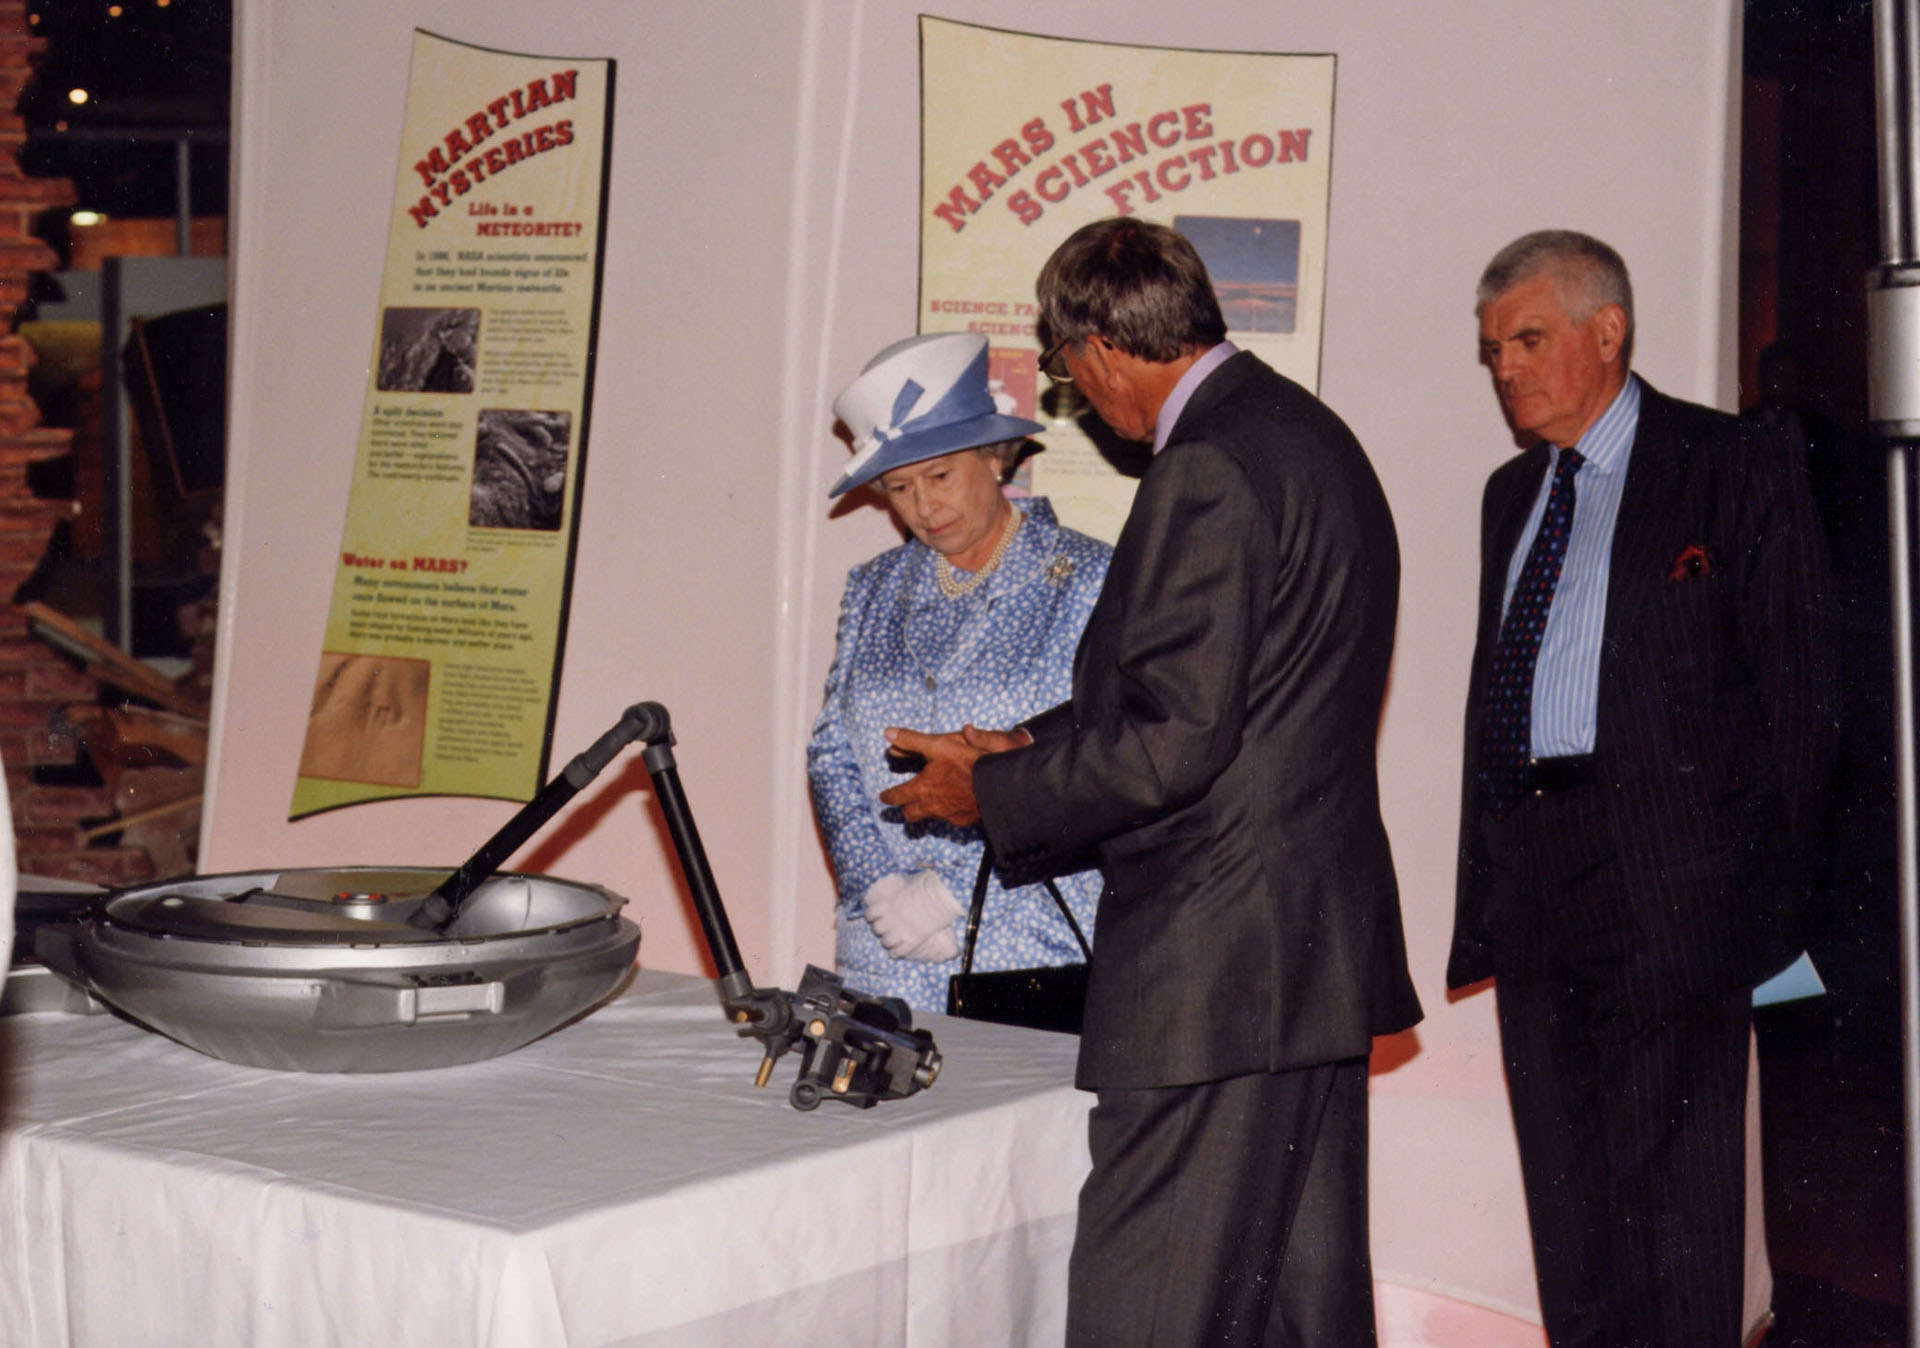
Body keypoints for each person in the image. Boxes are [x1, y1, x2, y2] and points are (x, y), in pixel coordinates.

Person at [881, 217, 1421, 1347]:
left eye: (1075, 377)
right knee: (1299, 1315)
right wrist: (1017, 751)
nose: (1088, 402)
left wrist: (989, 799)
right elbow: (1220, 692)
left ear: (1101, 350)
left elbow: (1173, 741)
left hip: (1214, 975)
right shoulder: (1307, 435)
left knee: (1148, 1312)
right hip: (1302, 960)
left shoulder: (1208, 466)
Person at [1450, 230, 1834, 1347]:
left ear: (1606, 330)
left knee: (1678, 1220)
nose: (1506, 368)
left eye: (1527, 338)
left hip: (1675, 890)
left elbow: (1804, 709)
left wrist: (1760, 918)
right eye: (1491, 351)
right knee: (1571, 1213)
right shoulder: (1510, 492)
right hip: (1535, 885)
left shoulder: (1732, 464)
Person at [808, 331, 1110, 1013]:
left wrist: (944, 889)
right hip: (882, 954)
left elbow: (1105, 765)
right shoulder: (872, 589)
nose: (921, 506)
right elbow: (831, 754)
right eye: (898, 486)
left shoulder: (1089, 581)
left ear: (995, 456)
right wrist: (880, 891)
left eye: (940, 477)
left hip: (1028, 953)